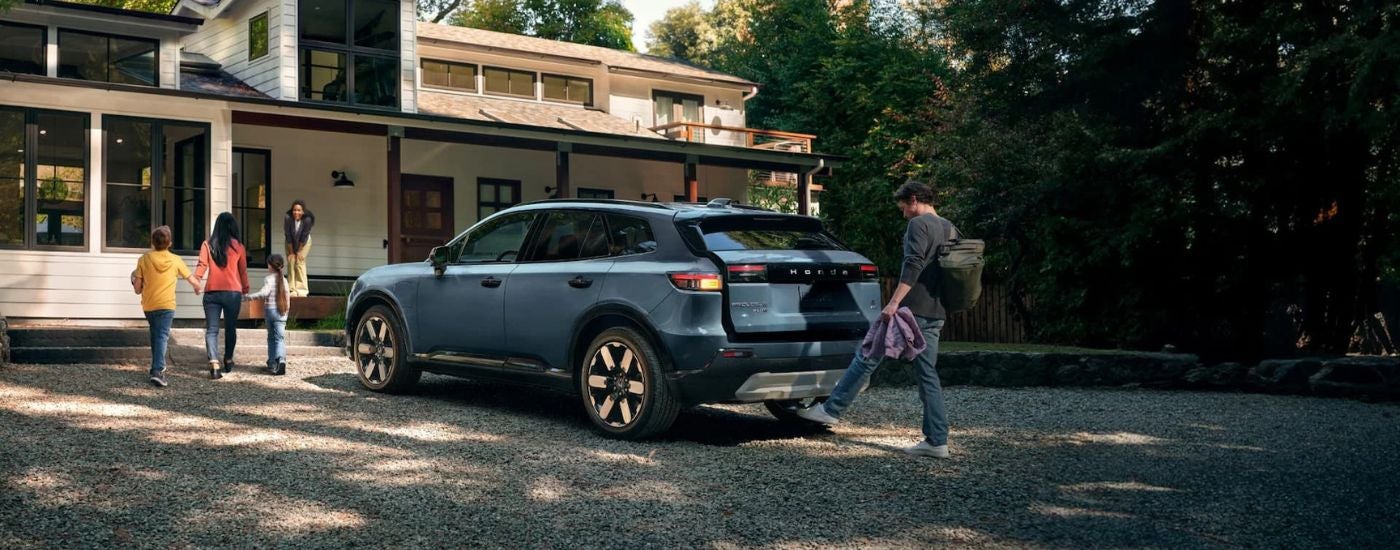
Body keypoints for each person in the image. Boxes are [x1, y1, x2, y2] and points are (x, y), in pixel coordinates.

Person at [799, 180, 959, 459]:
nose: (904, 214)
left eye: (903, 208)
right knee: (927, 376)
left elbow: (913, 265)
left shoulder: (918, 225)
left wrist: (894, 302)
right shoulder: (950, 227)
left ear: (913, 200)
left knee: (868, 353)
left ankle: (831, 410)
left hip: (910, 310)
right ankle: (937, 441)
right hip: (936, 312)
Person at [131, 226, 202, 387]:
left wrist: (133, 281)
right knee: (162, 336)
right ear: (169, 243)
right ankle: (158, 370)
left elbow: (137, 289)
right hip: (167, 304)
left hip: (149, 305)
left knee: (156, 335)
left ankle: (155, 368)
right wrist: (198, 287)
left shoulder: (144, 259)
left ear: (152, 242)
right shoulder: (175, 260)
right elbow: (190, 278)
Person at [196, 212, 250, 380]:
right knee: (230, 328)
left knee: (212, 329)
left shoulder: (207, 244)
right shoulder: (239, 247)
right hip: (233, 293)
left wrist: (196, 280)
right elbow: (242, 271)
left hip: (212, 292)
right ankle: (228, 359)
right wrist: (246, 287)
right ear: (233, 226)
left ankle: (214, 363)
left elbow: (202, 265)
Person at [244, 254, 291, 376]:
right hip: (282, 312)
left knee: (271, 337)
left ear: (270, 265)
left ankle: (271, 363)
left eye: (268, 264)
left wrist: (248, 297)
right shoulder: (285, 280)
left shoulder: (269, 279)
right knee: (280, 338)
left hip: (271, 311)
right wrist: (286, 313)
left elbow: (264, 293)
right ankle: (281, 360)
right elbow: (288, 298)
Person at [284, 200, 315, 297]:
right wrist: (292, 252)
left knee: (299, 262)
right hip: (290, 242)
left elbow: (304, 236)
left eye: (299, 210)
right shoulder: (288, 218)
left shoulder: (307, 219)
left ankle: (302, 290)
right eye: (294, 210)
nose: (296, 212)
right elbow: (288, 235)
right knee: (291, 261)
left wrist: (299, 251)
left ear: (303, 212)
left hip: (304, 243)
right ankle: (291, 289)